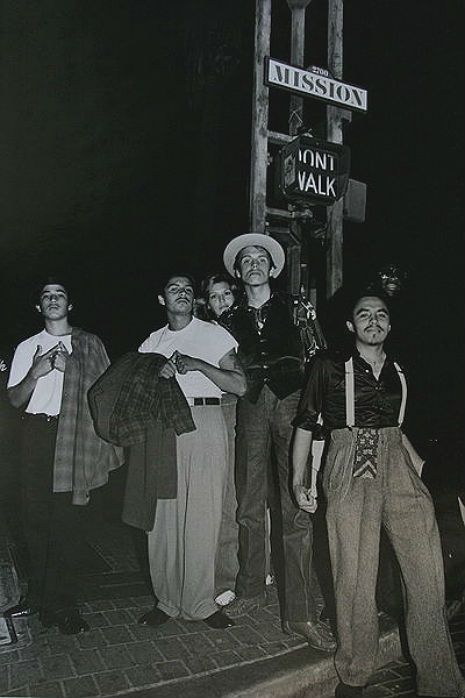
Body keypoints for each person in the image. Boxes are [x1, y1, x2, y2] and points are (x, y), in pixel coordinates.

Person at [292, 291, 465, 697]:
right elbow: (305, 422)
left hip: (396, 462)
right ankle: (354, 672)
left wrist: (421, 472)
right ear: (351, 325)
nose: (374, 320)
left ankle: (440, 682)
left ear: (390, 325)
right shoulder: (328, 366)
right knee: (354, 572)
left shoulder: (400, 370)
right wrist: (299, 480)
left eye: (381, 315)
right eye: (364, 315)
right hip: (352, 459)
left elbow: (398, 429)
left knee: (427, 574)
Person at [220, 233, 335, 653]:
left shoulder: (296, 307)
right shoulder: (227, 318)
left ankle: (300, 614)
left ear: (272, 268)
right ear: (238, 272)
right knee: (249, 503)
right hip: (249, 406)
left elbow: (320, 356)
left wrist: (318, 410)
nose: (253, 264)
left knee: (296, 504)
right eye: (245, 259)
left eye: (260, 258)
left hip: (292, 404)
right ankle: (251, 591)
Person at [6, 279, 123, 635]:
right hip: (36, 436)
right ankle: (39, 596)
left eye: (60, 295)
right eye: (46, 295)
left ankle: (65, 605)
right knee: (34, 520)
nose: (53, 299)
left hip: (74, 435)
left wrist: (70, 368)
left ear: (69, 306)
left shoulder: (88, 344)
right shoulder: (28, 347)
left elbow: (106, 393)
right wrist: (35, 373)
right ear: (38, 307)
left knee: (67, 522)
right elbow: (14, 399)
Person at [137, 273, 246, 629]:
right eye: (173, 289)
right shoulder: (151, 342)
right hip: (163, 426)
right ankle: (166, 601)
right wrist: (158, 374)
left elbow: (240, 385)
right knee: (163, 518)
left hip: (205, 420)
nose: (182, 293)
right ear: (160, 299)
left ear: (194, 300)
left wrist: (199, 365)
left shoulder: (214, 334)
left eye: (187, 289)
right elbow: (135, 394)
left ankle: (202, 603)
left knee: (203, 514)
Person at [198, 273, 240, 606]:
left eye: (226, 294)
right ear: (206, 303)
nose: (222, 301)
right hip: (223, 409)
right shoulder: (206, 334)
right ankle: (225, 575)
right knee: (225, 495)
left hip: (253, 409)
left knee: (253, 493)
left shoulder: (251, 325)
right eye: (214, 297)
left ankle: (260, 565)